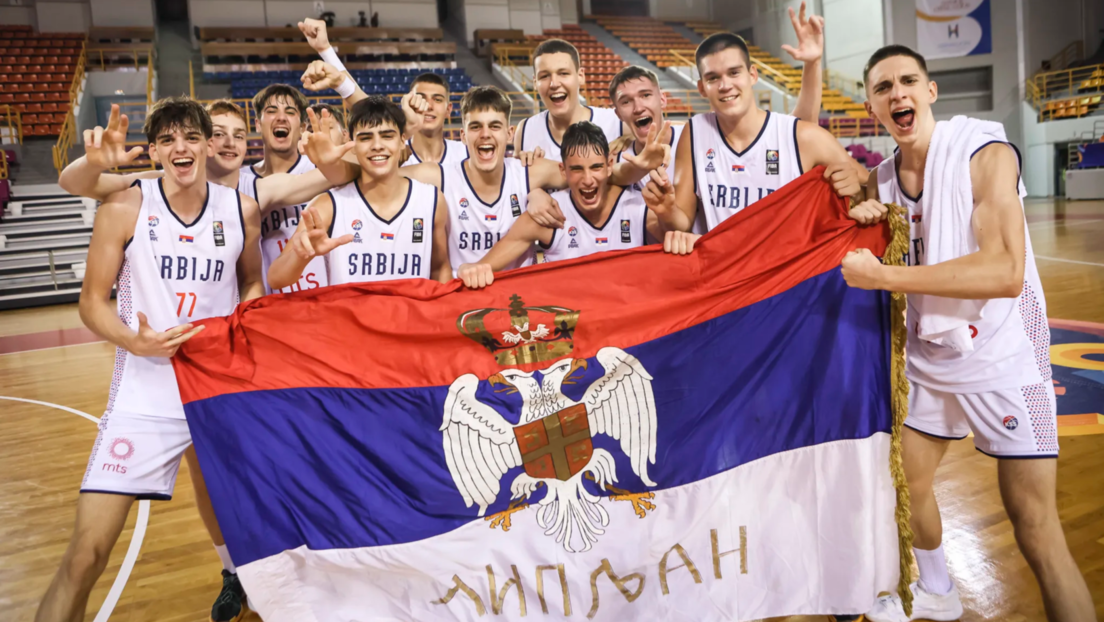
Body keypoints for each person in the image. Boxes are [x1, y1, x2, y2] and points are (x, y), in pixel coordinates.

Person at [841, 45, 1096, 622]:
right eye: (884, 87)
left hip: (1005, 357)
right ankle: (938, 589)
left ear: (930, 92)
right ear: (871, 105)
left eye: (909, 81)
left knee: (1035, 529)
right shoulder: (882, 183)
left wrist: (885, 276)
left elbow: (1005, 272)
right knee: (900, 486)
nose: (898, 93)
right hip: (932, 356)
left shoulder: (983, 151)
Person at [35, 97, 265, 622]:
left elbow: (250, 276)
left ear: (209, 144)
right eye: (167, 140)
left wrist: (244, 317)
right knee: (87, 553)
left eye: (190, 137)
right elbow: (91, 302)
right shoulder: (127, 205)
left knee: (251, 524)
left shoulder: (241, 209)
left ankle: (247, 589)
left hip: (217, 391)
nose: (180, 148)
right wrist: (134, 342)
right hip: (146, 393)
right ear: (155, 150)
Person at [306, 85, 668, 276]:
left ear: (509, 133)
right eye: (475, 127)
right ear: (460, 134)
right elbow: (373, 171)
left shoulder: (530, 172)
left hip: (517, 305)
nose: (485, 136)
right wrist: (331, 165)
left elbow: (594, 173)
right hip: (461, 297)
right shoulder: (438, 176)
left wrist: (538, 190)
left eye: (494, 126)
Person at [641, 32, 869, 255]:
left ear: (752, 74)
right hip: (725, 277)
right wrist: (668, 210)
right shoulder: (696, 132)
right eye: (713, 78)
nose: (725, 85)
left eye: (734, 73)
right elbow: (682, 224)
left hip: (784, 279)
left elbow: (876, 186)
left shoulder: (801, 135)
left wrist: (859, 193)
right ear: (701, 88)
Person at [268, 96, 452, 288]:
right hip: (350, 317)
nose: (377, 145)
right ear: (352, 145)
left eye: (387, 136)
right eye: (365, 138)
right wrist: (300, 256)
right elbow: (275, 279)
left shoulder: (431, 200)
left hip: (410, 317)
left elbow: (440, 268)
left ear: (402, 141)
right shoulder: (328, 205)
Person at [457, 121, 663, 288]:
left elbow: (681, 236)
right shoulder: (550, 214)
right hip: (571, 329)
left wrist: (678, 232)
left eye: (596, 167)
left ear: (609, 166)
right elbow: (483, 266)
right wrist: (469, 269)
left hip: (624, 330)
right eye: (577, 169)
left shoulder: (636, 206)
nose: (588, 179)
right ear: (563, 171)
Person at [296, 18, 466, 166]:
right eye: (420, 98)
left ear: (449, 108)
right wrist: (326, 51)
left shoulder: (466, 154)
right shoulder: (393, 151)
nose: (428, 105)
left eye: (437, 99)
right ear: (408, 101)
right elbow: (363, 105)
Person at [513, 38, 625, 162]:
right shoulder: (525, 130)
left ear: (580, 76)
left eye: (563, 73)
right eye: (544, 76)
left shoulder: (617, 123)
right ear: (535, 82)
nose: (554, 84)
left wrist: (635, 137)